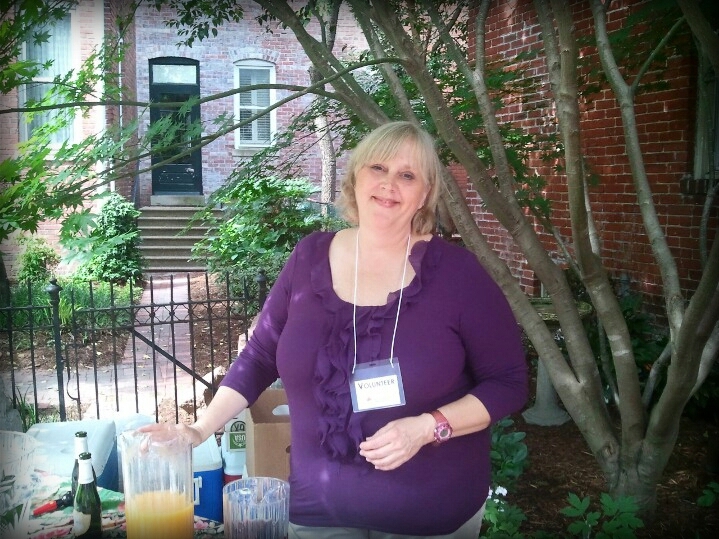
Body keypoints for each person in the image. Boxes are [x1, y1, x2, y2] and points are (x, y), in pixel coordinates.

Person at [145, 121, 528, 538]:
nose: (388, 184)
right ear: (355, 177)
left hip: (429, 514)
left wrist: (427, 427)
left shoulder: (458, 275)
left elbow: (508, 382)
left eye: (407, 175)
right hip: (318, 510)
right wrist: (199, 429)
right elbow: (260, 354)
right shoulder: (309, 256)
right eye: (378, 168)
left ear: (425, 194)